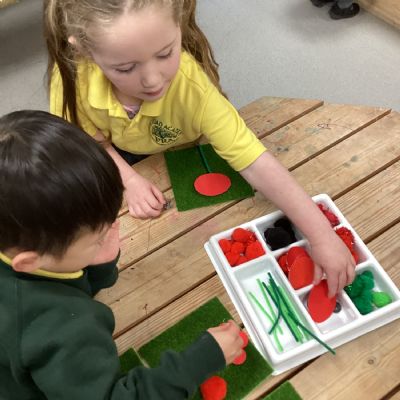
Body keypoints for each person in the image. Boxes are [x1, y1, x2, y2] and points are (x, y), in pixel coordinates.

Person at [44, 0, 355, 297]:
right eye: (125, 68)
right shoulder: (73, 78)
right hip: (115, 156)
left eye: (166, 53)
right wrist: (130, 180)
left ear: (179, 24)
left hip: (181, 150)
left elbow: (254, 160)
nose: (153, 81)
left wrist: (321, 234)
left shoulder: (192, 89)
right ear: (83, 49)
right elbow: (90, 142)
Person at [0, 110, 244, 400]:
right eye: (97, 239)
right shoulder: (65, 329)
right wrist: (198, 363)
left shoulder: (13, 234)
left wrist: (97, 264)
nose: (112, 233)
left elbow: (50, 281)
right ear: (30, 261)